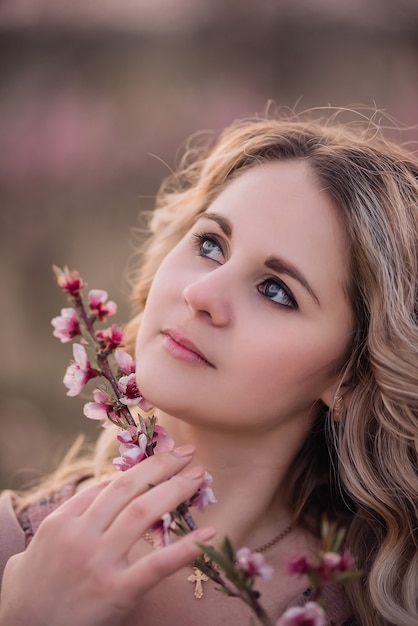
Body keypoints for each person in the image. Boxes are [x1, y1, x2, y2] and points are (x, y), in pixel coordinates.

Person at [0, 109, 417, 626]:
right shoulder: (14, 552)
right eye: (209, 244)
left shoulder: (377, 601)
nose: (201, 295)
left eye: (275, 290)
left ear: (351, 375)